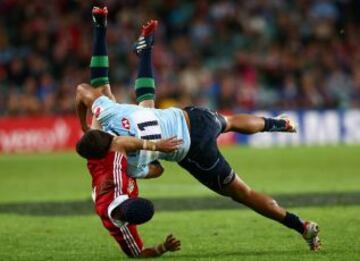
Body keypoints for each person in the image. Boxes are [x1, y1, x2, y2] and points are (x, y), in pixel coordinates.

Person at [76, 6, 321, 251]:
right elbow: (92, 88)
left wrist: (147, 162)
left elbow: (157, 171)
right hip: (192, 115)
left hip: (196, 151)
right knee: (229, 121)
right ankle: (279, 123)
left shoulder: (127, 163)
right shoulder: (111, 113)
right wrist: (84, 125)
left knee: (242, 193)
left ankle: (301, 226)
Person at [77, 7, 181, 258]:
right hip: (122, 161)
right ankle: (144, 52)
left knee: (103, 92)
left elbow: (120, 144)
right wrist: (161, 248)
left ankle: (100, 28)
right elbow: (138, 254)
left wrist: (157, 147)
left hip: (107, 146)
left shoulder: (114, 171)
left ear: (127, 202)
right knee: (147, 110)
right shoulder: (117, 222)